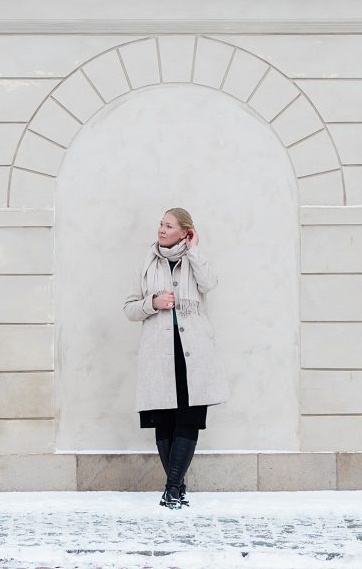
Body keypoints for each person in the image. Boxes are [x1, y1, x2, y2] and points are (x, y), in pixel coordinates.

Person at [123, 208, 230, 509]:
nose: (161, 229)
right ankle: (175, 488)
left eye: (169, 226)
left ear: (185, 232)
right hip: (159, 354)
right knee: (164, 420)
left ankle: (172, 488)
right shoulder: (146, 263)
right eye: (160, 224)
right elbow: (129, 308)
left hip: (192, 354)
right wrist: (153, 303)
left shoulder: (193, 261)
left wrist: (194, 251)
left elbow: (210, 283)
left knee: (189, 418)